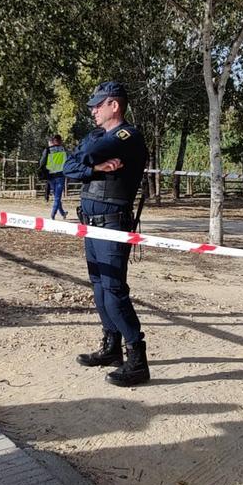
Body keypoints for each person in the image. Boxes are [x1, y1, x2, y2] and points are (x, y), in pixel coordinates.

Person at [63, 81, 150, 387]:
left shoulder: (127, 136)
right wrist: (96, 169)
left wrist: (87, 158)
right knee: (99, 286)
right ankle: (111, 347)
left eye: (98, 105)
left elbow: (83, 154)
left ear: (114, 105)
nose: (92, 111)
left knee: (114, 290)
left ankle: (137, 360)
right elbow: (67, 167)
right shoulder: (100, 135)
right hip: (91, 221)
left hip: (113, 222)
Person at [39, 134, 69, 220]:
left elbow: (42, 162)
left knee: (56, 195)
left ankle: (63, 213)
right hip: (60, 175)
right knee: (57, 197)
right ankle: (53, 214)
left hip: (50, 176)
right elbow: (68, 161)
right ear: (60, 141)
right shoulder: (63, 149)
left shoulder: (48, 150)